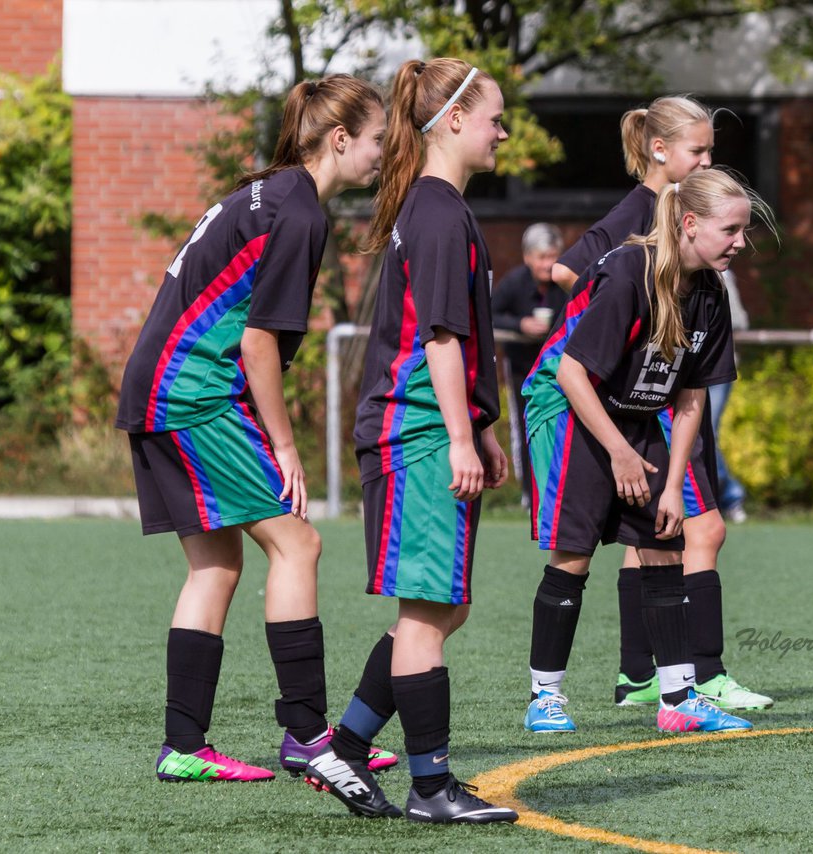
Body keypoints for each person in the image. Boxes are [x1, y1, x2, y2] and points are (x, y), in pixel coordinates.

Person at [114, 75, 398, 782]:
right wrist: (285, 443)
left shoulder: (271, 192)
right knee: (297, 543)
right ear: (340, 140)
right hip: (193, 394)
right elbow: (257, 343)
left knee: (216, 563)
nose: (383, 158)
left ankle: (184, 746)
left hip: (160, 386)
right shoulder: (298, 213)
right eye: (377, 143)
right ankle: (306, 736)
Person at [303, 57, 518, 825]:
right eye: (494, 116)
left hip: (435, 431)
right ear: (453, 120)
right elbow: (437, 339)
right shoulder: (434, 211)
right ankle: (432, 786)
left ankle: (350, 748)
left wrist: (481, 430)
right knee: (428, 614)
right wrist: (461, 437)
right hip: (416, 435)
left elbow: (454, 337)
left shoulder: (439, 209)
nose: (503, 130)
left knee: (442, 611)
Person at [521, 169, 770, 734]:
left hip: (638, 420)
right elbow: (572, 371)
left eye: (744, 231)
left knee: (665, 543)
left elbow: (691, 396)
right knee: (573, 555)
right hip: (576, 416)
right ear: (689, 224)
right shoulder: (631, 270)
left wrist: (676, 483)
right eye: (731, 229)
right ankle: (545, 695)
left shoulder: (709, 291)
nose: (740, 241)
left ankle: (678, 700)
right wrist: (618, 452)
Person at [491, 223, 569, 508]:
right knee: (524, 428)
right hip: (522, 369)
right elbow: (489, 314)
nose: (549, 264)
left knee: (561, 430)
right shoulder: (514, 283)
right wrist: (520, 325)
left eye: (553, 256)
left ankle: (559, 492)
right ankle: (529, 495)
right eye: (542, 257)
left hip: (560, 371)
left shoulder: (565, 282)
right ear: (527, 257)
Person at [710, 274, 749, 521]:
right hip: (681, 369)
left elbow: (737, 321)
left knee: (704, 434)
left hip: (715, 370)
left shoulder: (721, 274)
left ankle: (729, 497)